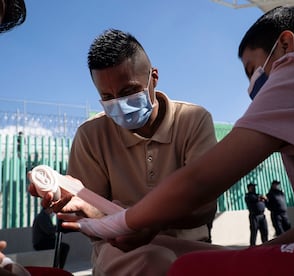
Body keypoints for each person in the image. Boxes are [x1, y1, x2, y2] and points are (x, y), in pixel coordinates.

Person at [55, 5, 294, 276]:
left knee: (183, 269)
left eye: (253, 70)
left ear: (285, 45)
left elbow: (200, 183)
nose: (251, 88)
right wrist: (268, 249)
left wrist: (120, 220)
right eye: (108, 97)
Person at [29, 28, 218, 275]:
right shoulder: (90, 135)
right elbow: (86, 216)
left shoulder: (193, 120)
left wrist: (145, 220)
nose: (119, 104)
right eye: (107, 97)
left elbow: (204, 207)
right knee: (152, 261)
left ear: (154, 77)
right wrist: (65, 201)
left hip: (190, 247)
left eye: (128, 92)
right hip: (118, 249)